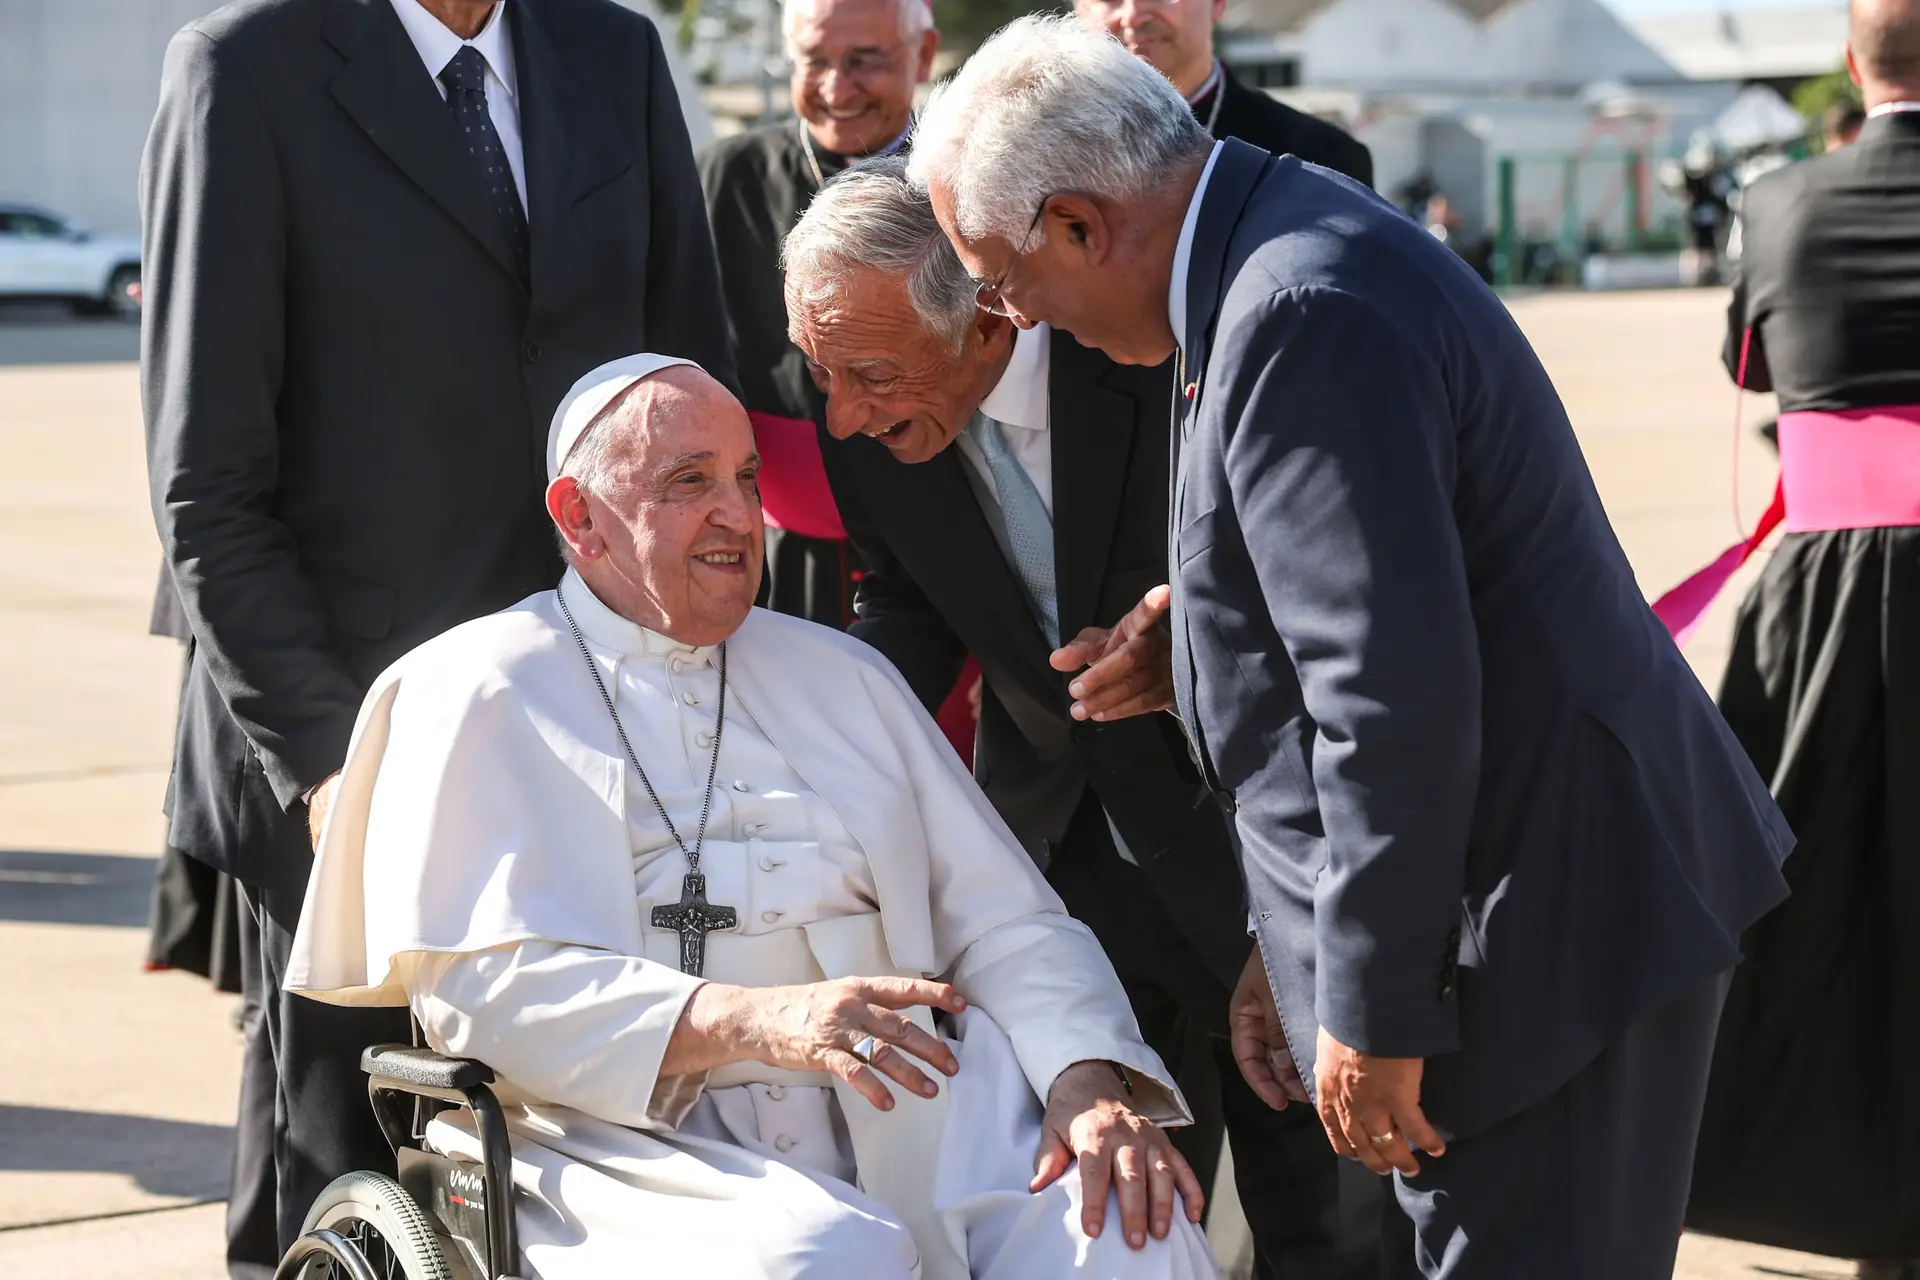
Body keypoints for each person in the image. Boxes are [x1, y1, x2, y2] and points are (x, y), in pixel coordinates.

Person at [907, 16, 1796, 1277]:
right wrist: (1208, 662)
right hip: (1524, 896)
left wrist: (1370, 1006)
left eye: (1001, 277)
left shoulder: (1294, 310)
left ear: (1076, 225)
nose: (1015, 315)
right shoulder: (1260, 244)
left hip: (1544, 922)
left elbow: (1389, 699)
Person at [286, 356, 1219, 1280]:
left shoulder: (845, 676)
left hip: (915, 1100)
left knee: (1134, 1227)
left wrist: (1086, 1080)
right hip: (616, 1137)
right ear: (579, 517)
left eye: (745, 478)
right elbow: (480, 996)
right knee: (818, 1259)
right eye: (689, 483)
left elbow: (1006, 922)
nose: (740, 514)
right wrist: (748, 1019)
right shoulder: (474, 687)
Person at [139, 0, 733, 1262]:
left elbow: (688, 378)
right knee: (343, 1164)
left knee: (566, 1153)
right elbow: (207, 486)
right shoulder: (244, 72)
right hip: (346, 735)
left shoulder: (611, 52)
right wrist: (323, 766)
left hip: (589, 715)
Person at [783, 158, 1380, 1278]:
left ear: (980, 318)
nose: (842, 416)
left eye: (865, 374)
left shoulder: (1154, 351)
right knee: (1122, 1214)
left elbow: (1315, 592)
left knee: (1321, 1212)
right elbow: (907, 598)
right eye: (821, 373)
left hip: (1247, 844)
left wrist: (1189, 646)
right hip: (1056, 869)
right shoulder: (863, 406)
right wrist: (824, 733)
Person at [1687, 1, 1920, 1272]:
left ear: (1851, 65)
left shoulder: (1779, 205)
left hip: (1828, 598)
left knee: (1815, 902)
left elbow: (1749, 366)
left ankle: (1841, 1187)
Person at [698, 0, 938, 628]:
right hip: (779, 551)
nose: (837, 88)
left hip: (943, 532)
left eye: (864, 61)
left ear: (925, 54)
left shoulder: (960, 174)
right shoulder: (728, 176)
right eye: (815, 61)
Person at [1076, 0, 1372, 186]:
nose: (1133, 15)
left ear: (1217, 3)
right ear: (1079, 9)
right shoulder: (1038, 144)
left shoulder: (1322, 161)